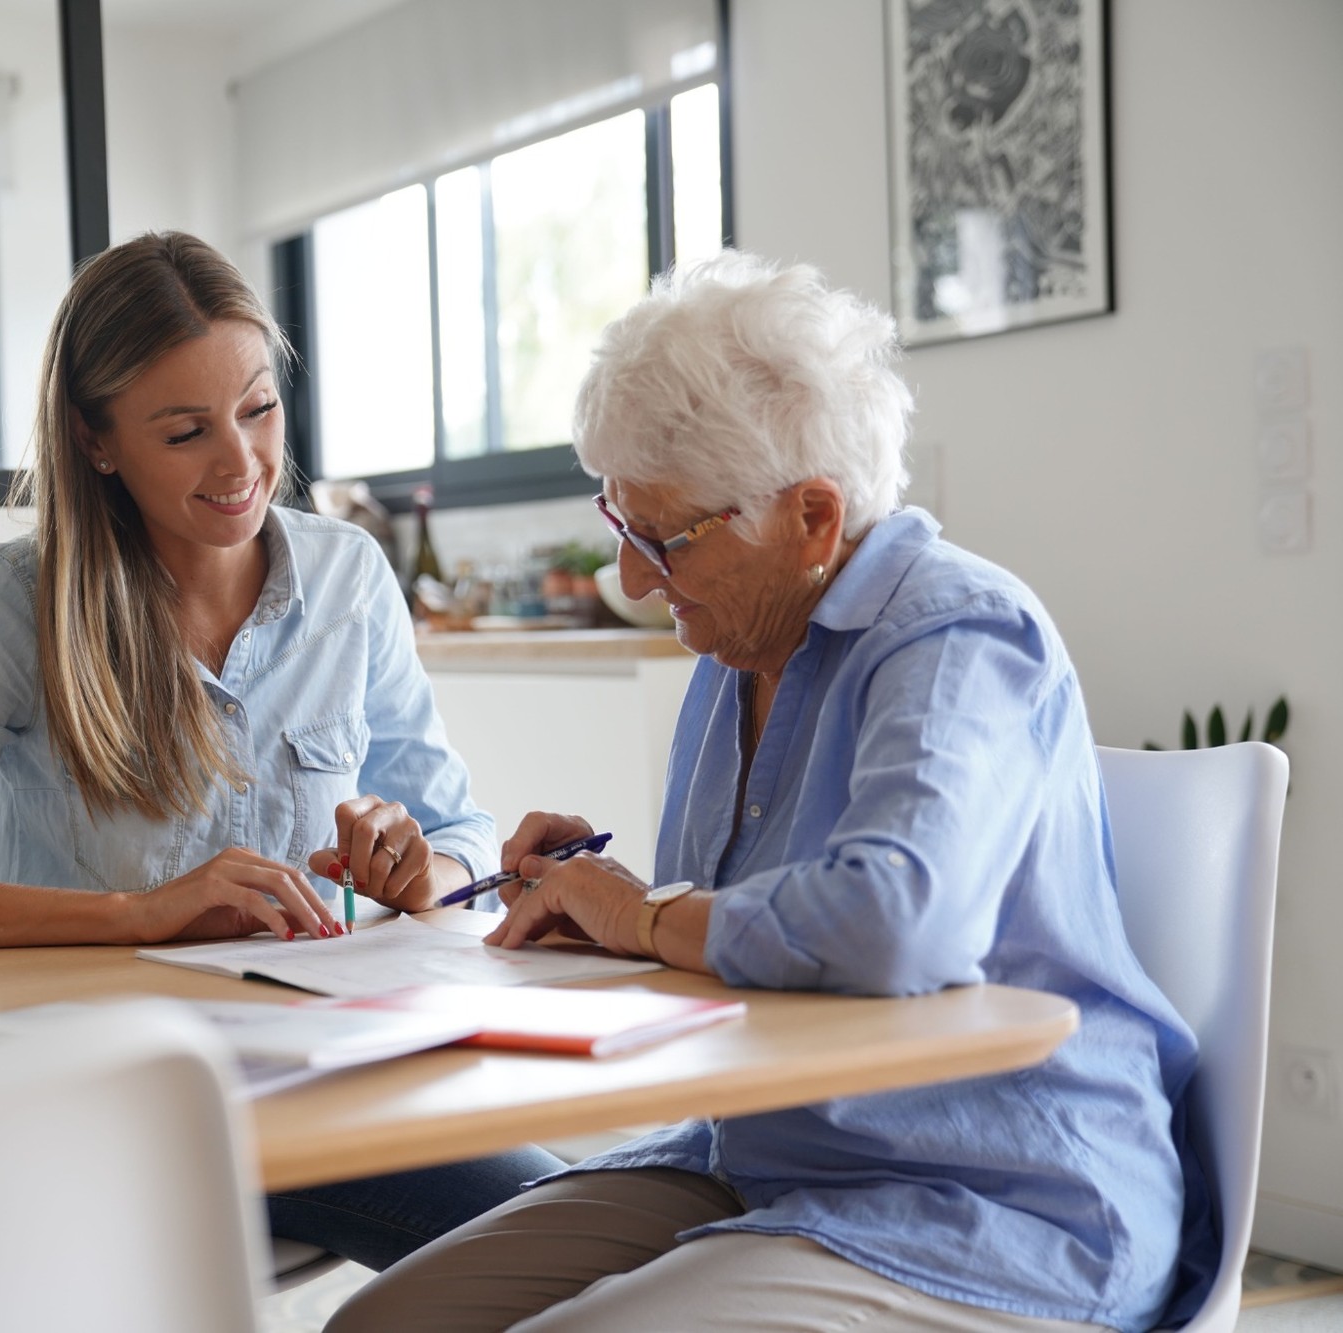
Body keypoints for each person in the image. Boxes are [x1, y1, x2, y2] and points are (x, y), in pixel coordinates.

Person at [328, 253, 1209, 1332]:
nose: (634, 582)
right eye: (621, 527)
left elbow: (891, 925)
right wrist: (600, 910)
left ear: (811, 517)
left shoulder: (956, 631)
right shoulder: (731, 653)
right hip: (769, 1152)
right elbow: (757, 927)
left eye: (664, 539)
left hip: (996, 1187)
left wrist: (645, 916)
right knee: (379, 1324)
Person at [0, 230, 561, 1269]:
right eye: (185, 430)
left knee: (576, 1228)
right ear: (97, 441)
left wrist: (426, 868)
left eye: (258, 408)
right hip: (101, 1098)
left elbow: (458, 827)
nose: (241, 462)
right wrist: (136, 915)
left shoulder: (349, 580)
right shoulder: (12, 606)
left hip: (322, 1081)